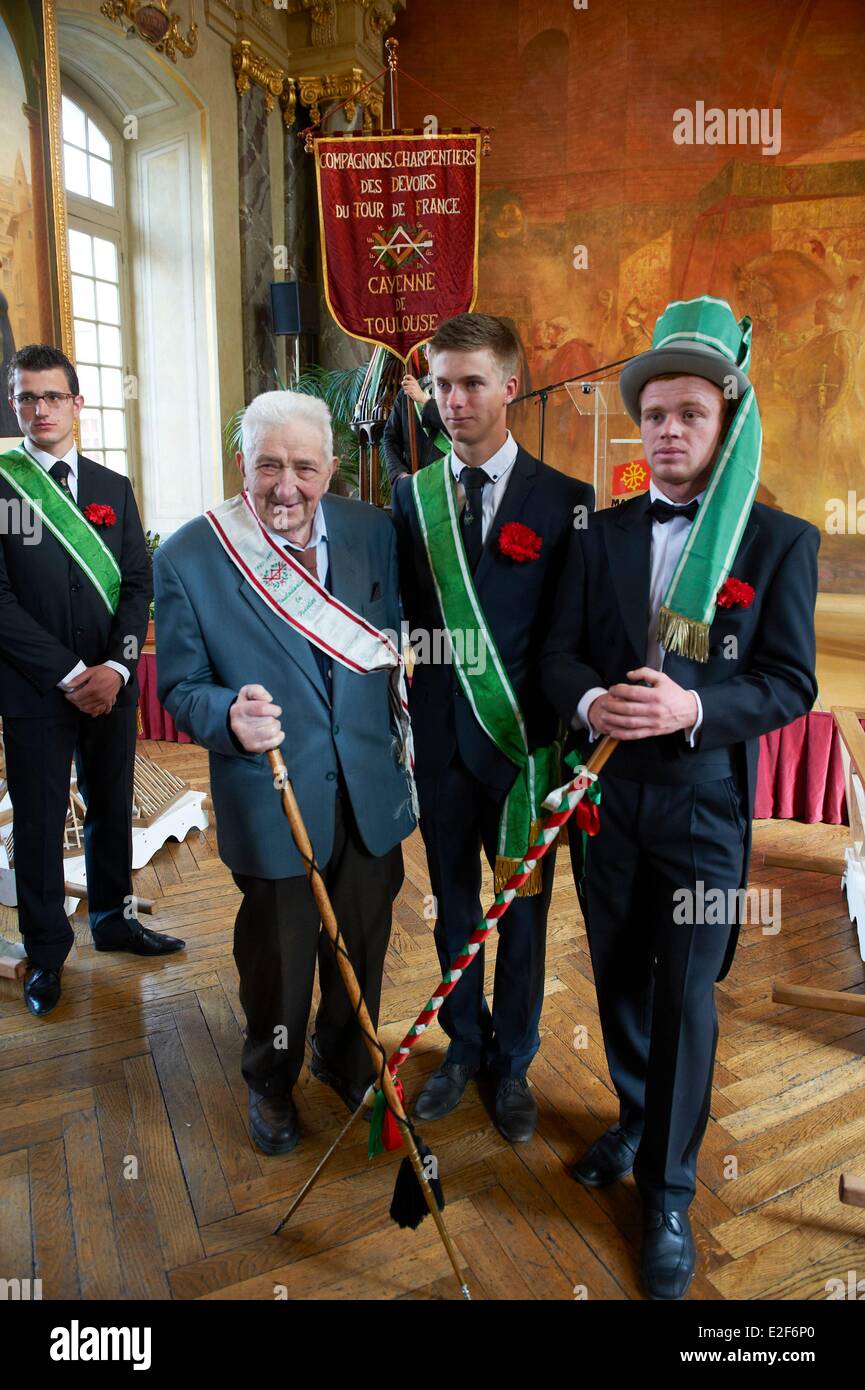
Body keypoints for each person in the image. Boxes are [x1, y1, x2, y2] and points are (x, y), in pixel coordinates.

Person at [541, 296, 819, 1299]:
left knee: (686, 989)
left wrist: (690, 705)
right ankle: (631, 1113)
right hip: (606, 801)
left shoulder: (777, 541)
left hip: (703, 804)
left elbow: (790, 682)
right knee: (615, 967)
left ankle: (666, 1190)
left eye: (687, 414)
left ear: (724, 421)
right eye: (652, 414)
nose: (665, 430)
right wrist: (589, 700)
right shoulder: (597, 530)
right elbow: (556, 653)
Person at [154, 391, 416, 1155]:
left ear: (330, 468)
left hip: (368, 790)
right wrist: (226, 715)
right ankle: (271, 1079)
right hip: (270, 797)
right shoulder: (191, 555)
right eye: (269, 464)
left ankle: (342, 1051)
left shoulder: (375, 531)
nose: (286, 486)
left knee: (362, 941)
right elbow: (179, 687)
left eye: (304, 466)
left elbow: (392, 644)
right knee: (278, 957)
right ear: (244, 464)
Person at [392, 313, 594, 1143]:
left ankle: (513, 1062)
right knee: (450, 908)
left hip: (523, 752)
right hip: (441, 749)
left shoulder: (565, 502)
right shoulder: (412, 497)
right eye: (440, 383)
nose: (452, 400)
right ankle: (461, 1045)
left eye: (471, 382)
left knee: (522, 914)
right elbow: (405, 616)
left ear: (510, 385)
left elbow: (570, 638)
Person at [0, 344, 183, 1019]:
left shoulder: (112, 489)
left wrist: (117, 665)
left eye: (52, 396)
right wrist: (72, 673)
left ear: (78, 403)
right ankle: (46, 954)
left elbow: (139, 586)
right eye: (27, 397)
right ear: (16, 404)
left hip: (112, 685)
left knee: (112, 809)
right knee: (42, 824)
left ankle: (113, 918)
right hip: (33, 692)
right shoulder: (2, 488)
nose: (40, 409)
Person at [381, 363, 449, 490]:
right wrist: (399, 475)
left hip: (453, 486)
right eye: (432, 346)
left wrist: (425, 401)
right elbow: (390, 438)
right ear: (425, 353)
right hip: (415, 487)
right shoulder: (406, 394)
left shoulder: (463, 394)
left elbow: (465, 433)